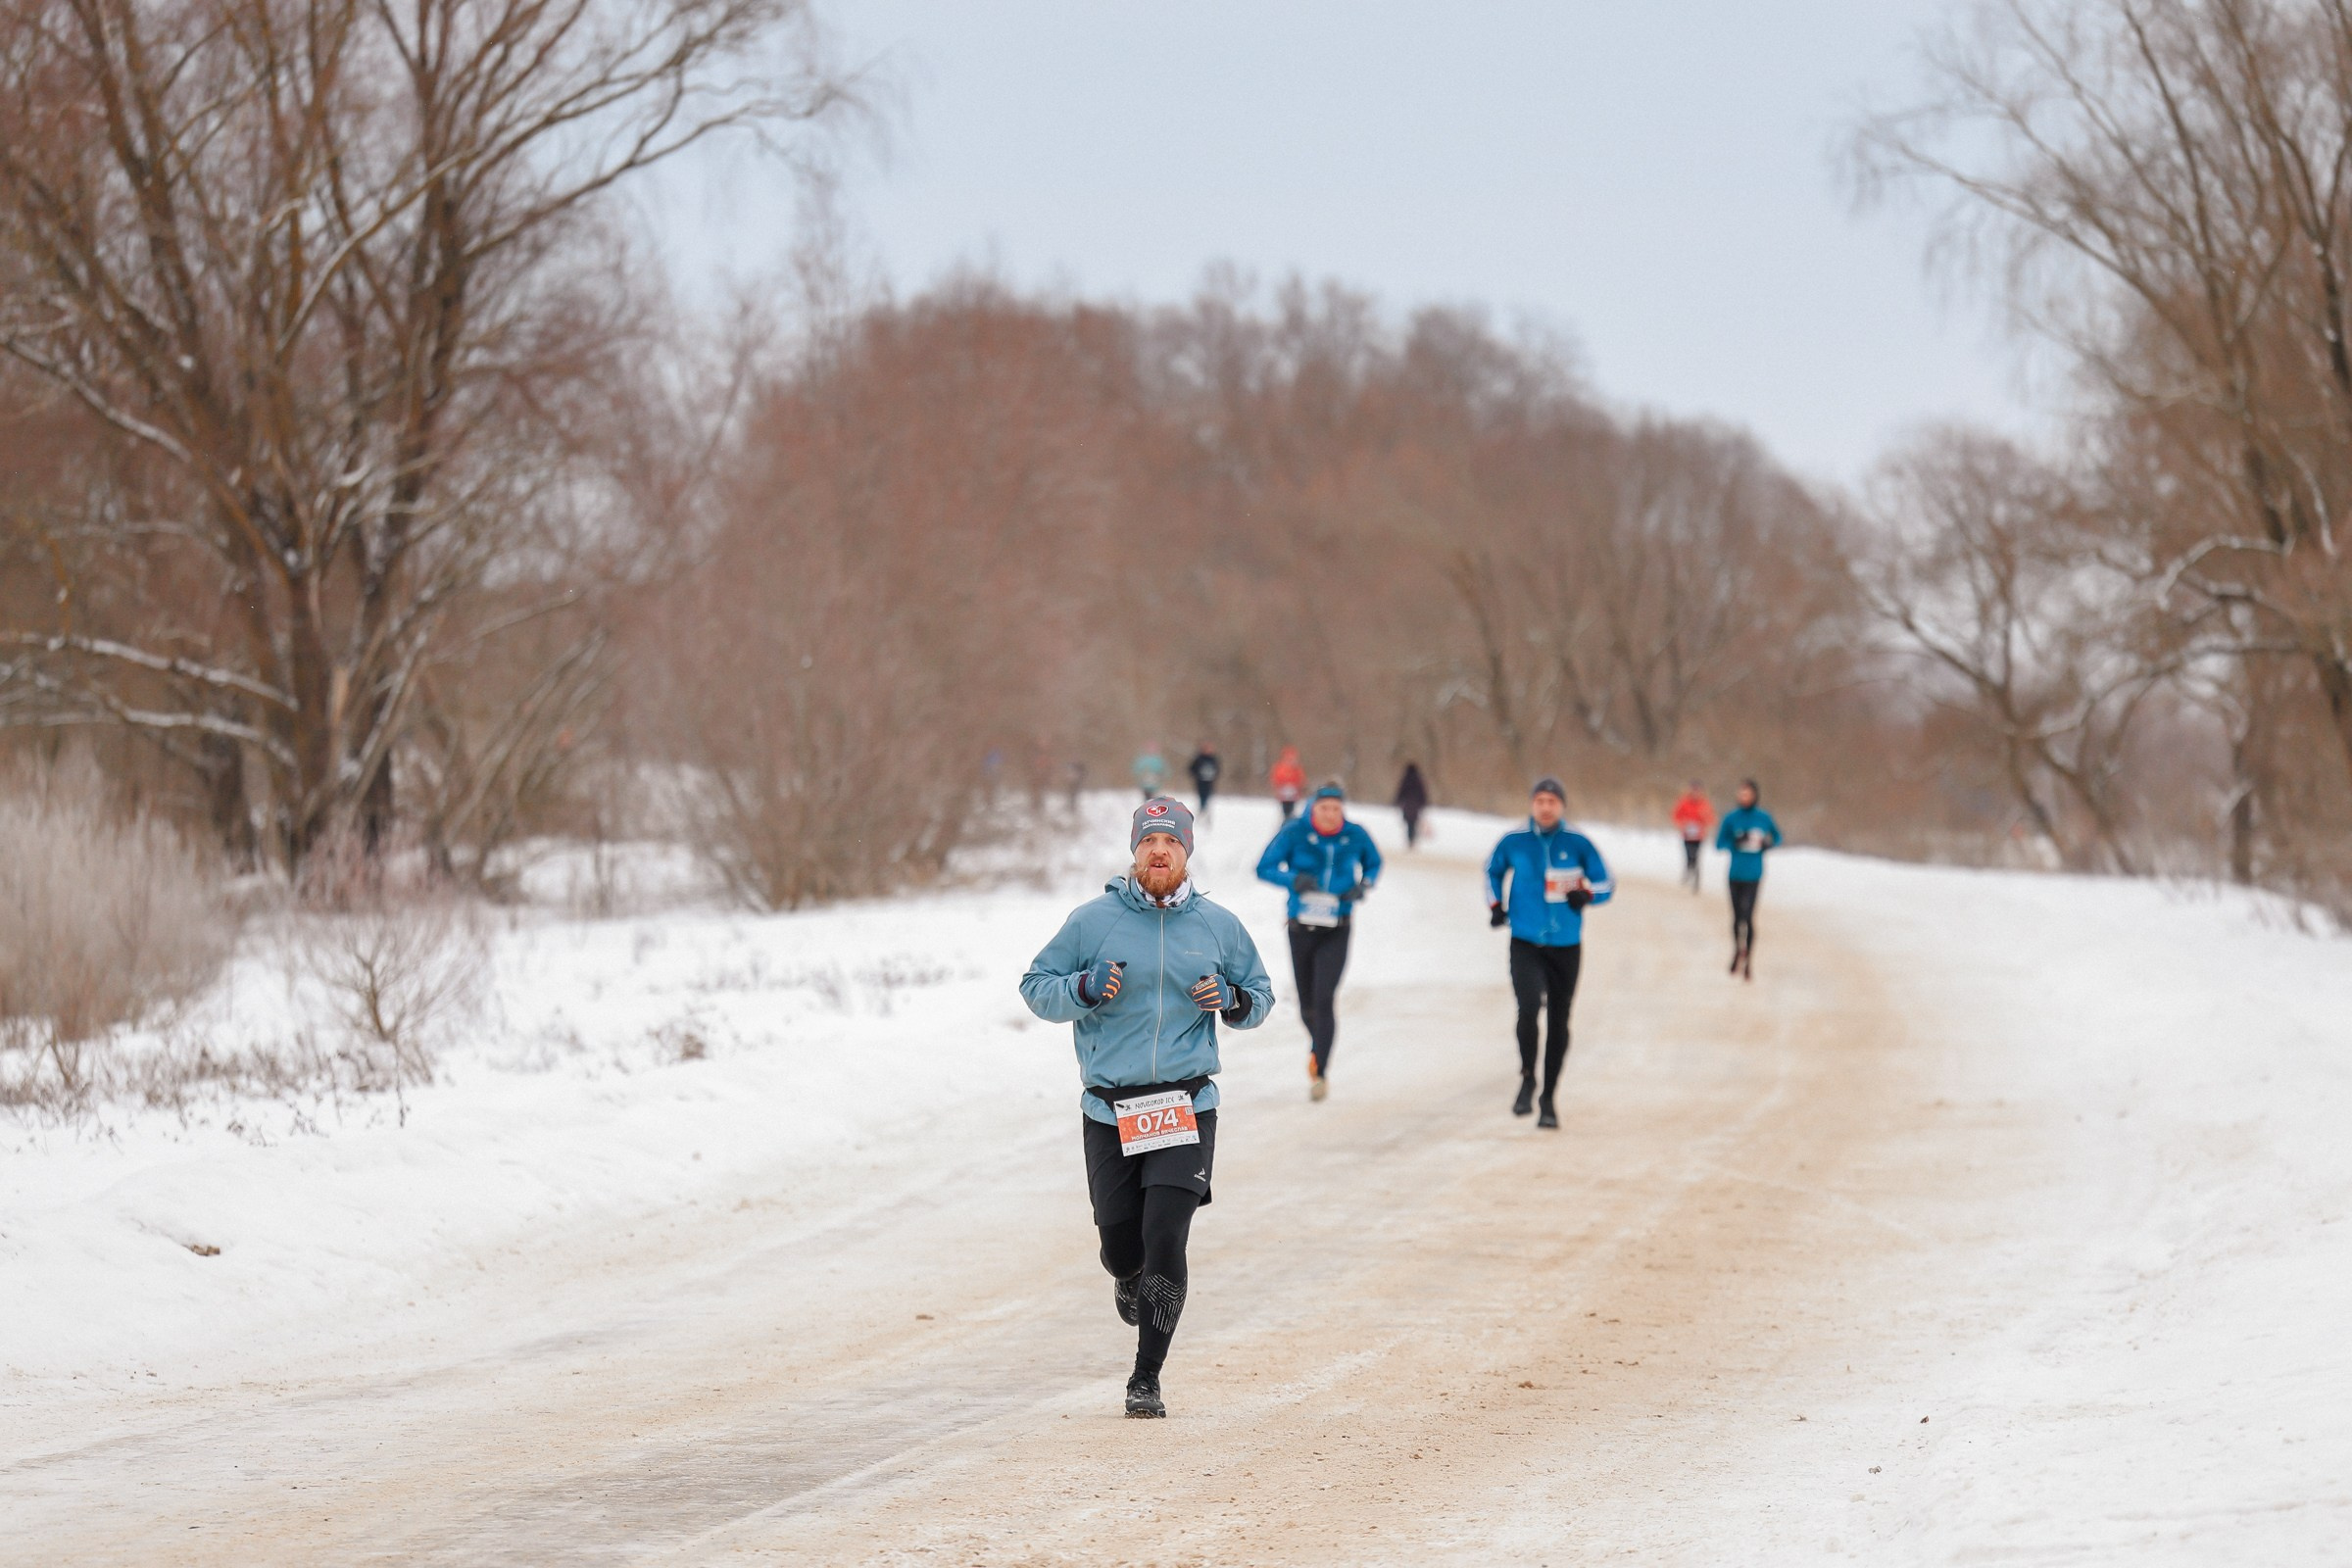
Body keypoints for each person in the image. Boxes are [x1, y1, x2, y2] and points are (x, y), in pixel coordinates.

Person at [1019, 797, 1276, 1419]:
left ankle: (1146, 1377)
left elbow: (1262, 997)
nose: (1160, 851)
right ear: (1134, 851)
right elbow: (1035, 986)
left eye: (1172, 842)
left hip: (1187, 1106)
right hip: (1111, 1109)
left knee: (1166, 1236)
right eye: (1149, 841)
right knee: (1122, 1249)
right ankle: (1126, 1276)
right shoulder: (1092, 922)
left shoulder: (1219, 926)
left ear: (1187, 853)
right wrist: (1081, 987)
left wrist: (1232, 1000)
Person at [1485, 776, 1614, 1130]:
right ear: (1531, 804)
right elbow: (1492, 871)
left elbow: (1606, 883)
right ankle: (1527, 1078)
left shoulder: (1578, 843)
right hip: (1525, 940)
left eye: (1552, 802)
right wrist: (1496, 905)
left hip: (1566, 946)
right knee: (1528, 1007)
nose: (1545, 807)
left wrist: (1587, 895)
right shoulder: (1515, 841)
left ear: (1562, 807)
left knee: (1559, 1020)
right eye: (1539, 800)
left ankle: (1549, 1098)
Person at [1254, 782, 1382, 1101]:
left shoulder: (1355, 834)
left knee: (1325, 999)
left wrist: (1362, 885)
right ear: (1313, 808)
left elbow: (1374, 863)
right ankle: (1317, 1046)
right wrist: (1293, 880)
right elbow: (1264, 867)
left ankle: (1320, 1071)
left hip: (1337, 926)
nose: (1330, 814)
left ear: (1342, 810)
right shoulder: (1295, 832)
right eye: (1324, 808)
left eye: (1336, 809)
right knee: (1306, 1005)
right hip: (1301, 926)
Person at [1714, 778, 1783, 981]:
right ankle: (1737, 949)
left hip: (1754, 874)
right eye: (1740, 793)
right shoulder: (1731, 818)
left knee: (1748, 916)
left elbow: (1778, 837)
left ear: (1755, 795)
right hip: (1735, 874)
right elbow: (1719, 843)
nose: (1743, 797)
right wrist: (1734, 842)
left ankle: (1749, 960)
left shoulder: (1763, 817)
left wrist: (1766, 843)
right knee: (1736, 917)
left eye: (1747, 793)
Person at [1671, 780, 1714, 893]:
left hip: (1699, 836)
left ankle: (1696, 882)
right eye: (1693, 790)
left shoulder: (1704, 804)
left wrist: (1705, 821)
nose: (1696, 793)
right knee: (1689, 855)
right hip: (1687, 835)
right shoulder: (1683, 802)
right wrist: (1682, 824)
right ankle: (1688, 871)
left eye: (1698, 791)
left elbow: (1711, 819)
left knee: (1696, 857)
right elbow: (1675, 815)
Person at [1394, 761, 1430, 849]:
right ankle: (1413, 839)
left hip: (1407, 806)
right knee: (1413, 823)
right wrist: (1423, 803)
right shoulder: (1419, 780)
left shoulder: (1406, 779)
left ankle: (1410, 839)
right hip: (1416, 806)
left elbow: (1401, 792)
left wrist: (1397, 801)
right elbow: (1422, 793)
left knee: (1410, 824)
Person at [1269, 746, 1306, 820]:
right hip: (1284, 793)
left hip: (1292, 793)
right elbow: (1275, 778)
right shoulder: (1280, 767)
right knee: (1286, 809)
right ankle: (1287, 820)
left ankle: (1289, 820)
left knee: (1290, 809)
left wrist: (1297, 787)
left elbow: (1301, 779)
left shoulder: (1296, 768)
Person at [1187, 743, 1221, 817]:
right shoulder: (1199, 759)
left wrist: (1214, 775)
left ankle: (1204, 809)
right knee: (1201, 795)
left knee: (1207, 795)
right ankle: (1202, 808)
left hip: (1209, 782)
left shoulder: (1213, 759)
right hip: (1200, 781)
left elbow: (1217, 769)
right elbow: (1192, 768)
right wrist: (1196, 774)